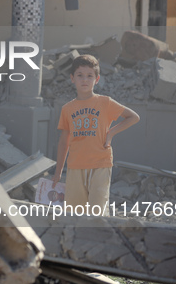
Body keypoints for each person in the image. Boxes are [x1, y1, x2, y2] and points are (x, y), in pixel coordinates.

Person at [52, 55, 140, 215]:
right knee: (74, 214)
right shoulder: (67, 109)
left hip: (101, 164)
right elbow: (64, 142)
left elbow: (134, 117)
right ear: (72, 78)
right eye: (80, 75)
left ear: (97, 79)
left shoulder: (105, 102)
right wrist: (58, 172)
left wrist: (111, 132)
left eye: (89, 76)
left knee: (97, 213)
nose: (84, 80)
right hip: (75, 167)